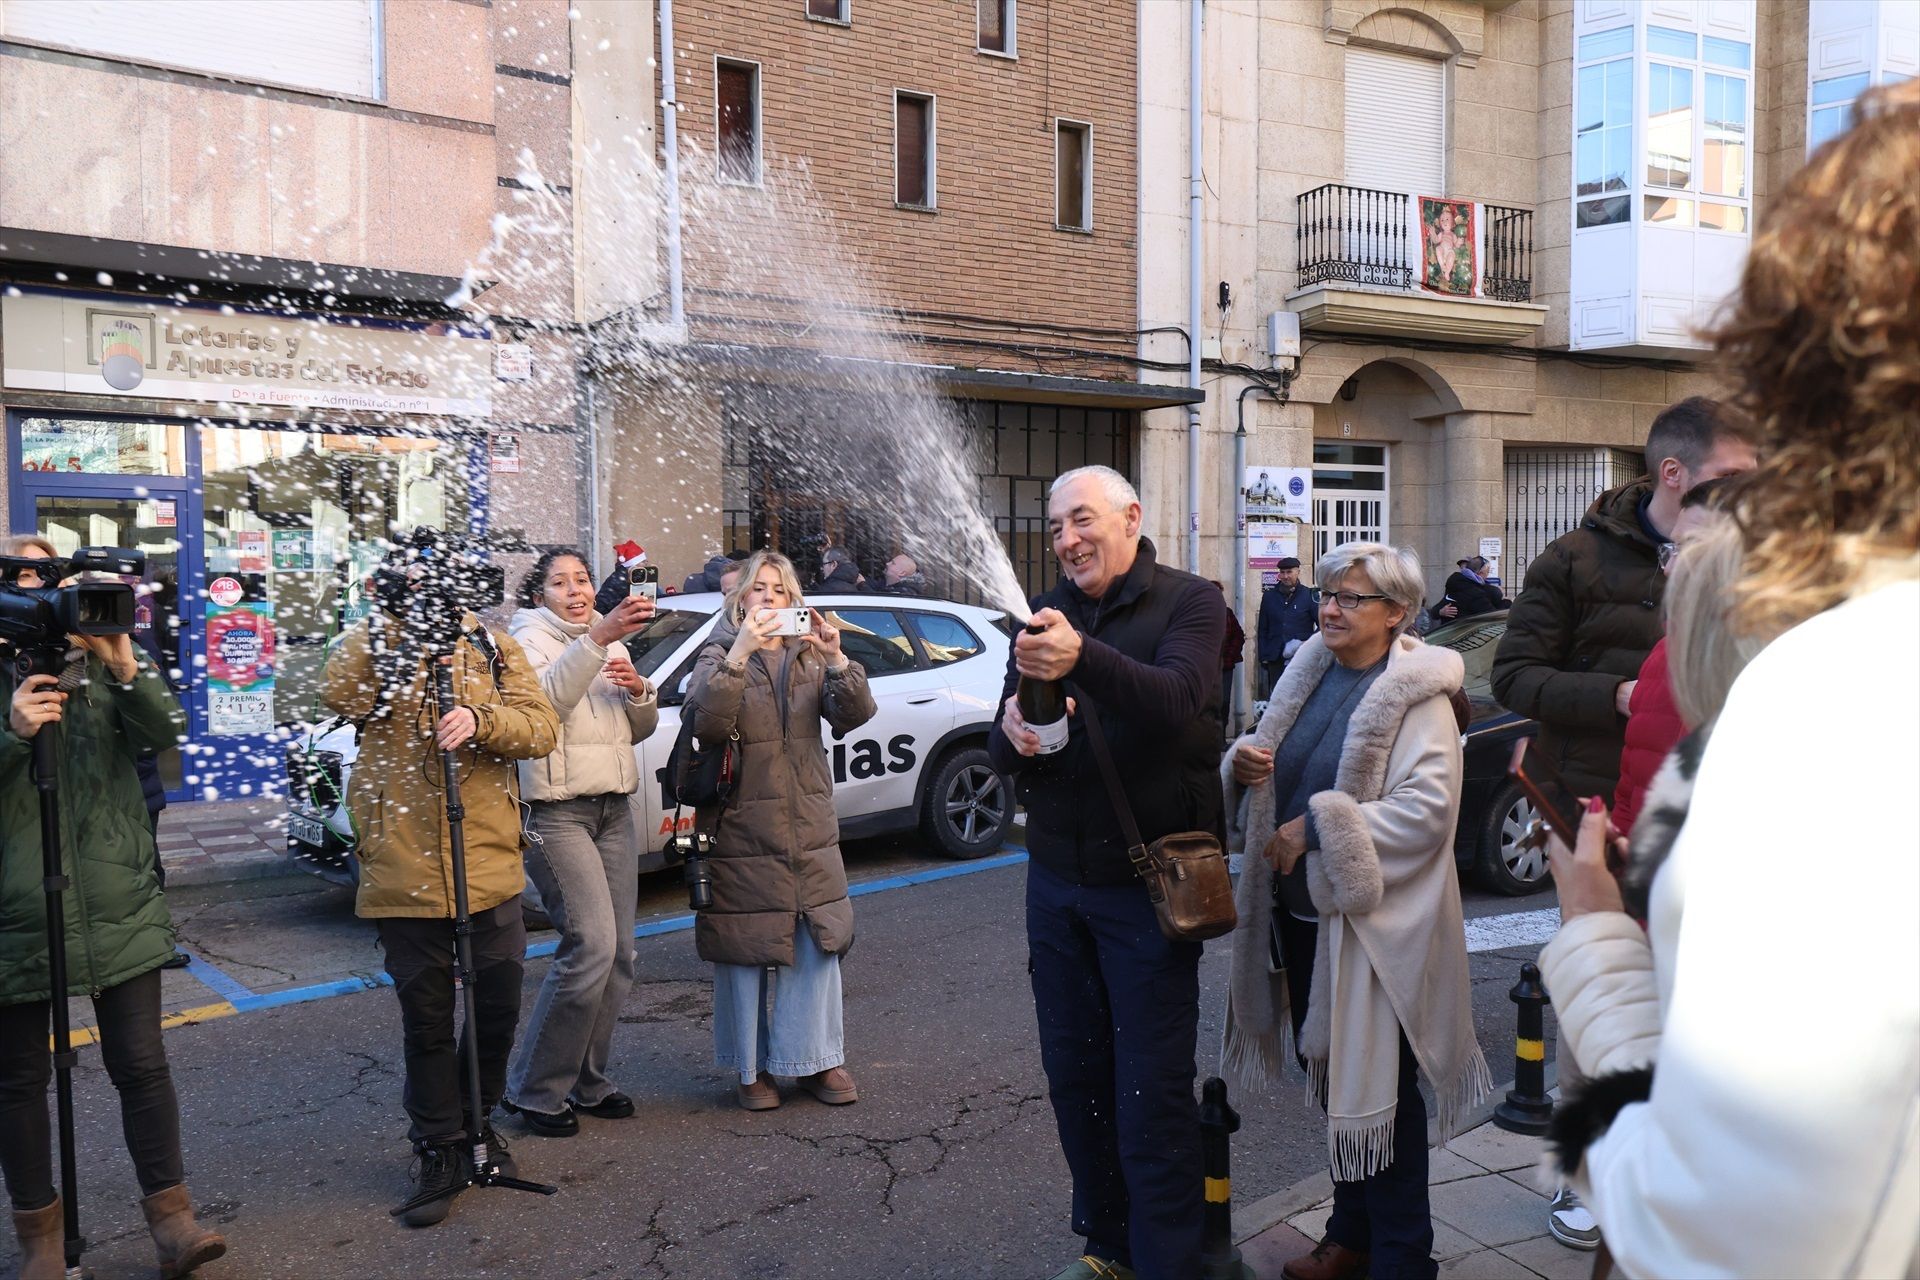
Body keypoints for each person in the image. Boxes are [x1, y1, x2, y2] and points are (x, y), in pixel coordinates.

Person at [1536, 79, 1920, 1280]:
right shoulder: (1579, 554)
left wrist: (1598, 945)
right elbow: (1520, 666)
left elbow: (1729, 1237)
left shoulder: (1848, 700)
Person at [1490, 395, 1755, 1247]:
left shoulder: (1754, 564)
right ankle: (1588, 1174)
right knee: (1595, 995)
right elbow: (1514, 676)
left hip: (1693, 827)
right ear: (1674, 474)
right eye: (1735, 480)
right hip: (1597, 818)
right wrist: (1617, 695)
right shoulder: (1574, 557)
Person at [1222, 543, 1489, 1280]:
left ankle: (1404, 1261)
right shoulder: (1309, 671)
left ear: (1397, 613)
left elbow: (1427, 813)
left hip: (1374, 936)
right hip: (1301, 917)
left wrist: (1316, 828)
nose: (1330, 607)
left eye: (1351, 598)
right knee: (1334, 1083)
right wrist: (1244, 764)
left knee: (1384, 1099)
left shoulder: (1419, 697)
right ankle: (1350, 1234)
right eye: (1328, 594)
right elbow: (1270, 754)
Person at [989, 465, 1228, 1280]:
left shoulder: (1192, 601)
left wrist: (1081, 655)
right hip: (1056, 887)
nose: (1066, 540)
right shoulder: (1044, 614)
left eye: (1081, 520)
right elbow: (1000, 743)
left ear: (1131, 516)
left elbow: (1179, 701)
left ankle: (1170, 1263)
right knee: (1076, 1078)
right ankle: (1110, 1246)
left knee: (1150, 1095)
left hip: (1146, 890)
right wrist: (1014, 732)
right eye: (1056, 527)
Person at [0, 535, 226, 1280]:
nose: (39, 592)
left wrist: (126, 665)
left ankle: (174, 1224)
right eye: (21, 578)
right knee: (19, 1080)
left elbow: (166, 738)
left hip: (114, 890)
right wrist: (12, 733)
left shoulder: (103, 655)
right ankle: (40, 1242)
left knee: (142, 1062)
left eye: (49, 577)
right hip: (17, 905)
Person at [321, 538, 559, 1228]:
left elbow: (540, 727)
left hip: (485, 856)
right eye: (418, 581)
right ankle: (438, 1145)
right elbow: (339, 695)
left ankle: (477, 1124)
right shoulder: (373, 639)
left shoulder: (489, 644)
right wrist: (391, 627)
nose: (435, 594)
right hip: (403, 861)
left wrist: (482, 721)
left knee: (497, 1006)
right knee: (425, 1020)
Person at [683, 551, 876, 1111]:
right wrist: (740, 654)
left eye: (779, 590)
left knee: (816, 940)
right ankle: (751, 1068)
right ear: (740, 598)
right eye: (757, 589)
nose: (768, 598)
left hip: (808, 820)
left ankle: (815, 1059)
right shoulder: (718, 652)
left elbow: (854, 713)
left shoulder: (809, 655)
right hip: (741, 822)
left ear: (793, 601)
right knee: (745, 944)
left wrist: (838, 659)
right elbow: (708, 722)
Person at [501, 550, 660, 1137]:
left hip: (615, 807)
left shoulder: (609, 640)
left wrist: (639, 689)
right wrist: (598, 637)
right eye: (560, 582)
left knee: (620, 956)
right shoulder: (525, 640)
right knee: (590, 944)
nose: (575, 590)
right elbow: (543, 707)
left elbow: (635, 728)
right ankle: (535, 1090)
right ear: (539, 594)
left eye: (583, 579)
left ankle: (588, 1081)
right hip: (556, 812)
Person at [1609, 479, 1730, 836]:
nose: (1668, 567)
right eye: (1672, 548)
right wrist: (1612, 855)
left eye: (1690, 548)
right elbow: (1630, 795)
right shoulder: (1665, 652)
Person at [1256, 557, 1316, 698]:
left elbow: (1321, 627)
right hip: (1275, 657)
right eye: (1282, 572)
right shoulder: (1269, 596)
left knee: (1298, 697)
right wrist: (1263, 655)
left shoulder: (1308, 595)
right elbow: (1263, 628)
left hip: (1299, 657)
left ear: (1298, 572)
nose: (1285, 576)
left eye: (1289, 572)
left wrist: (1307, 645)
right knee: (1277, 696)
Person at [1211, 580, 1248, 716]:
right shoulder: (1198, 614)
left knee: (1224, 701)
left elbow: (1238, 636)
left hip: (1225, 665)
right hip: (1204, 667)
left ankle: (1222, 734)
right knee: (1206, 703)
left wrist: (1229, 655)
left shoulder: (1227, 614)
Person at [1432, 556, 1507, 622]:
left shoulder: (1456, 582)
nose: (1487, 575)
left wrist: (1439, 612)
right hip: (1462, 632)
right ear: (1480, 573)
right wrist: (1507, 602)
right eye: (1487, 572)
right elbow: (1493, 615)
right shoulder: (1474, 591)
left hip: (1451, 631)